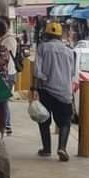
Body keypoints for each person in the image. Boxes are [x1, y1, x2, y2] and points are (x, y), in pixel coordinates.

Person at [31, 21, 77, 161]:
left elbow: (37, 71)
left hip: (46, 90)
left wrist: (38, 84)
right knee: (65, 122)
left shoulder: (42, 48)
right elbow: (72, 72)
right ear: (60, 35)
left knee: (43, 119)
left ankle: (46, 149)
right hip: (64, 91)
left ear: (46, 34)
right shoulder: (70, 51)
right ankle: (62, 148)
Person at [0, 21, 20, 135]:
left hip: (9, 72)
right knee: (3, 100)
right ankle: (6, 124)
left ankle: (7, 125)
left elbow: (1, 56)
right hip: (8, 72)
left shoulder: (8, 39)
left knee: (3, 100)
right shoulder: (6, 38)